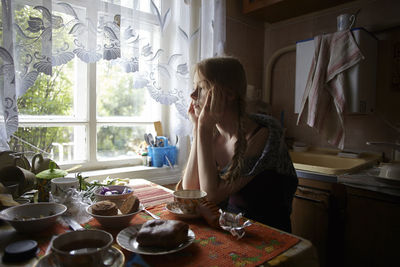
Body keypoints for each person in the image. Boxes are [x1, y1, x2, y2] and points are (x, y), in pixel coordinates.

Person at [178, 56, 298, 233]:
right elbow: (190, 191)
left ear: (229, 94)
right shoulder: (214, 136)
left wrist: (203, 127)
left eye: (201, 87)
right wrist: (197, 129)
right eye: (194, 87)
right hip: (233, 232)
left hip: (269, 237)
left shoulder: (264, 135)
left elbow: (210, 195)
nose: (192, 95)